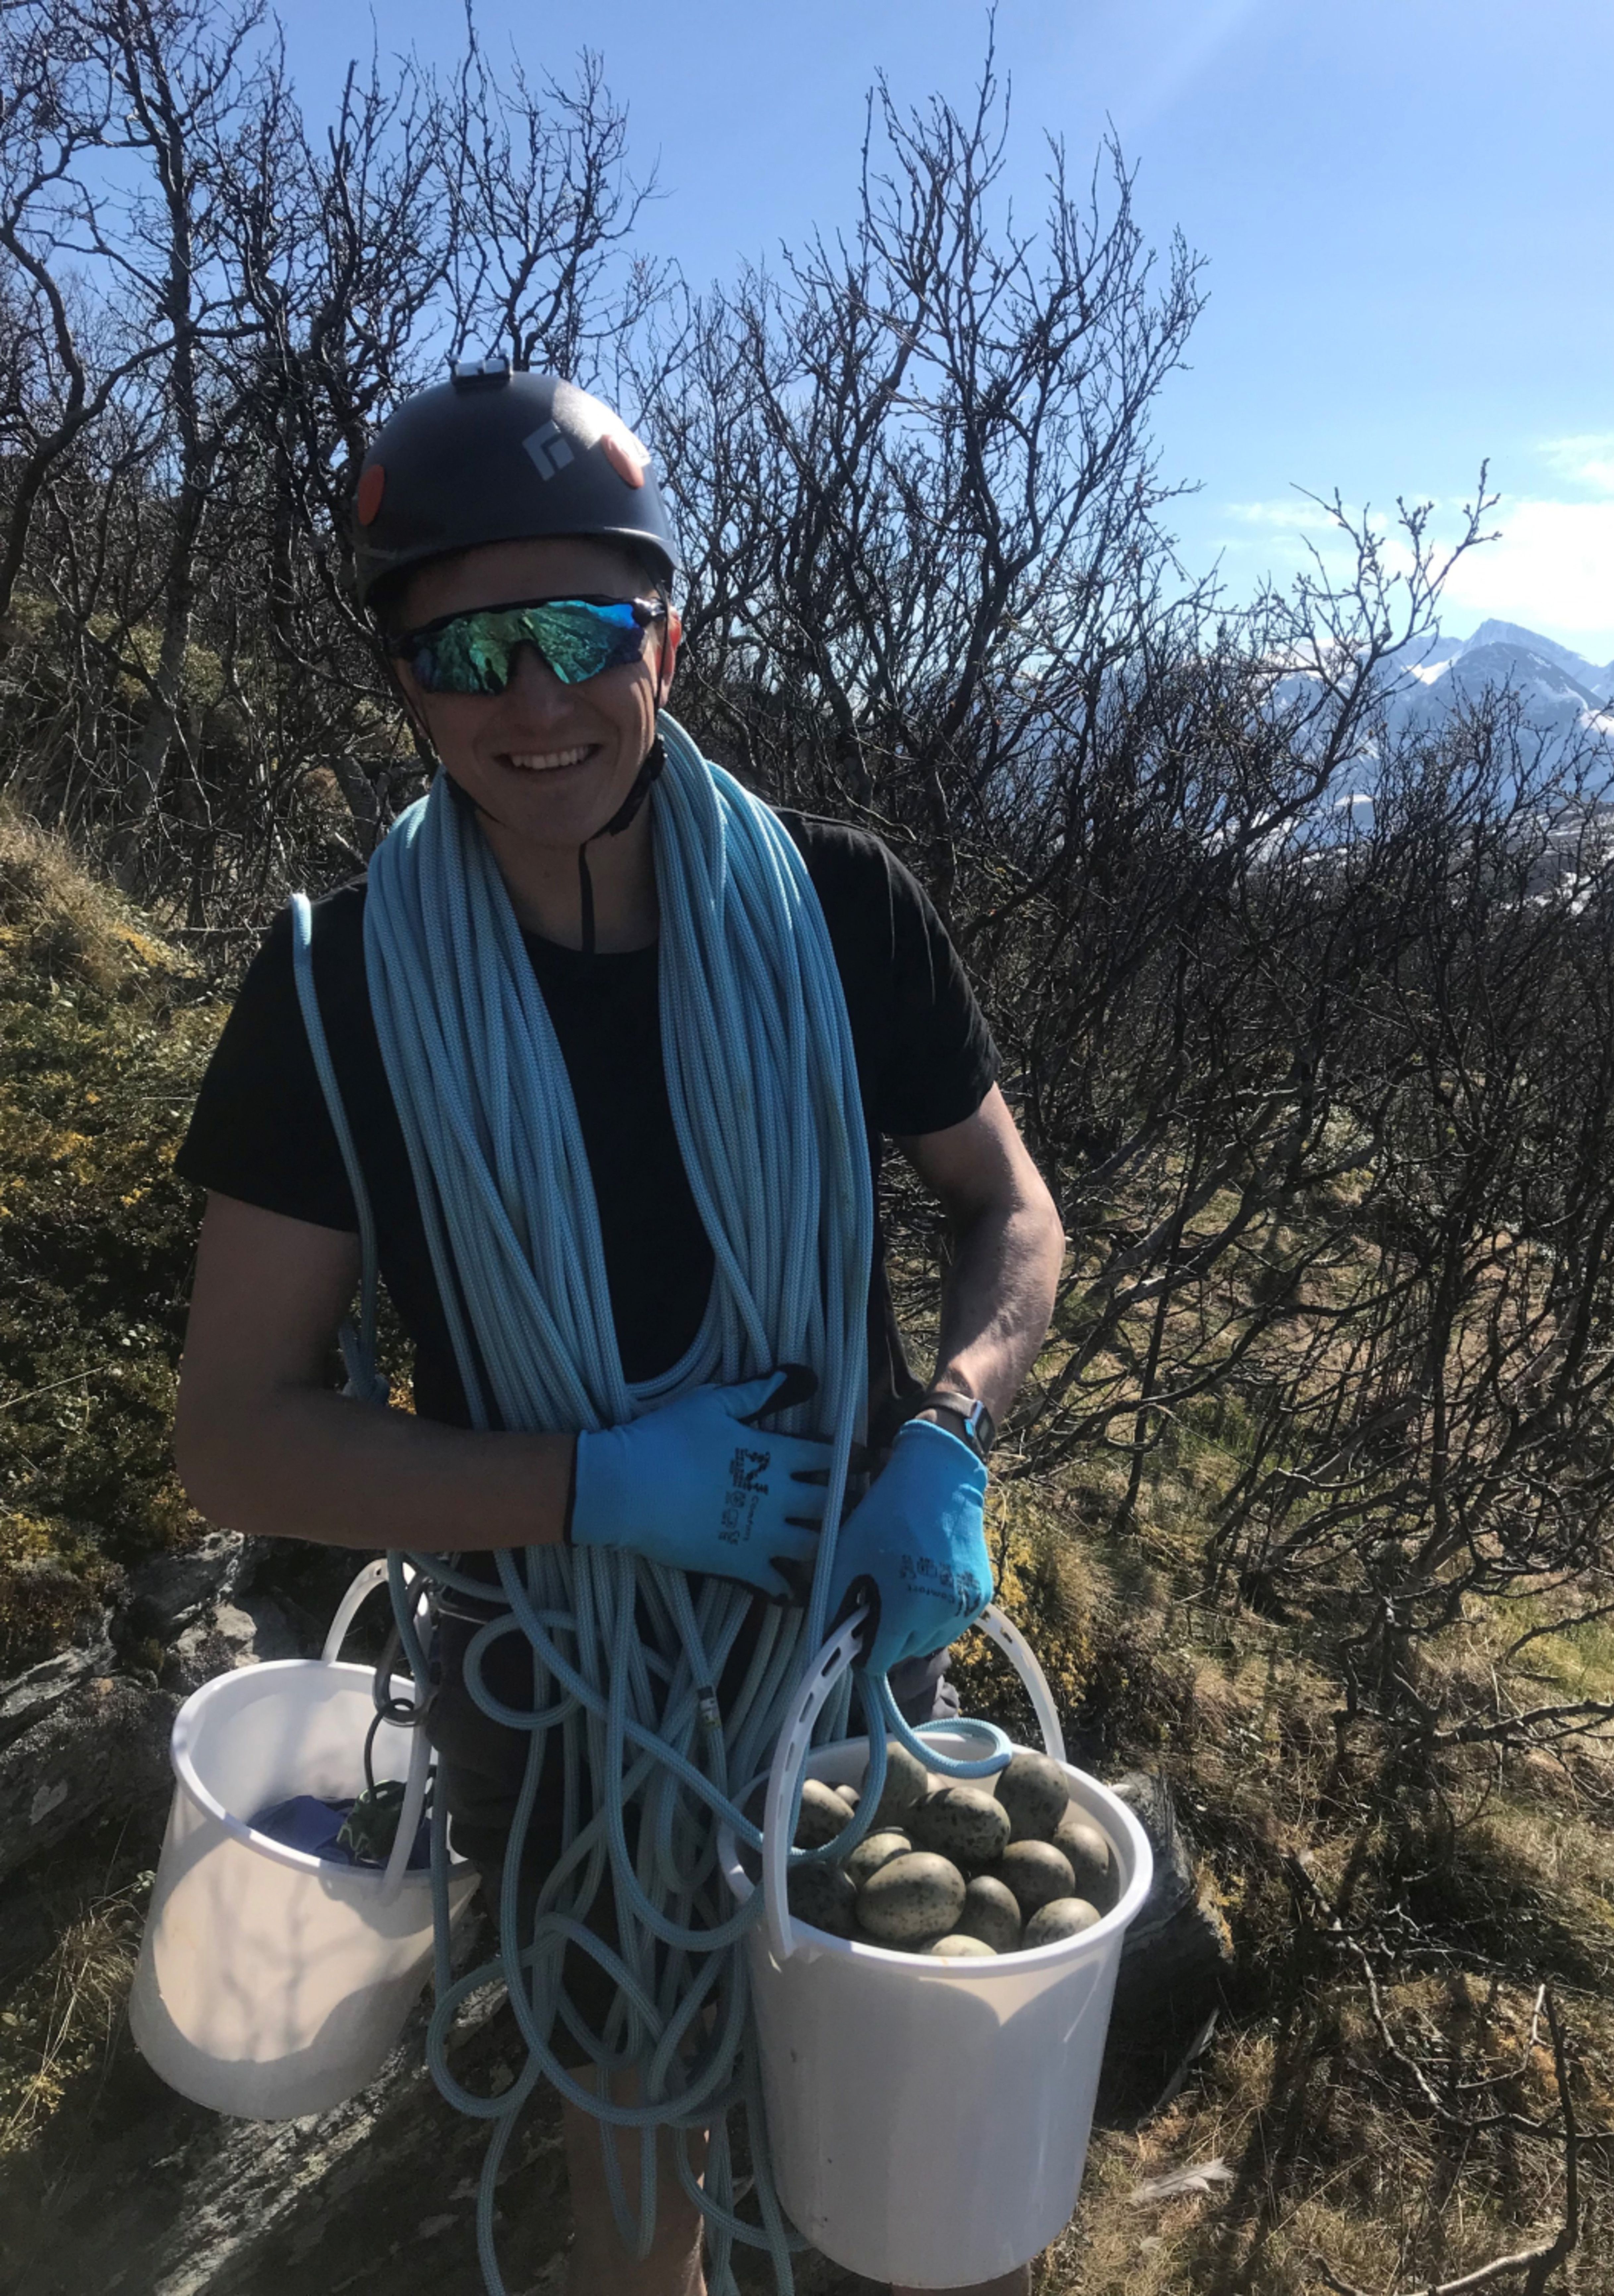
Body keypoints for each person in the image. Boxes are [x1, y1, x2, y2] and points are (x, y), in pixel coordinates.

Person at [172, 363, 1065, 2296]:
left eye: (582, 632)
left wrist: (950, 1428)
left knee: (895, 2087)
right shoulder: (335, 995)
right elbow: (231, 1436)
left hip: (847, 1606)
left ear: (669, 633)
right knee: (637, 2084)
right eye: (465, 652)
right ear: (404, 683)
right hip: (550, 1657)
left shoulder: (840, 910)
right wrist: (589, 1491)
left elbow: (1009, 1210)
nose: (534, 701)